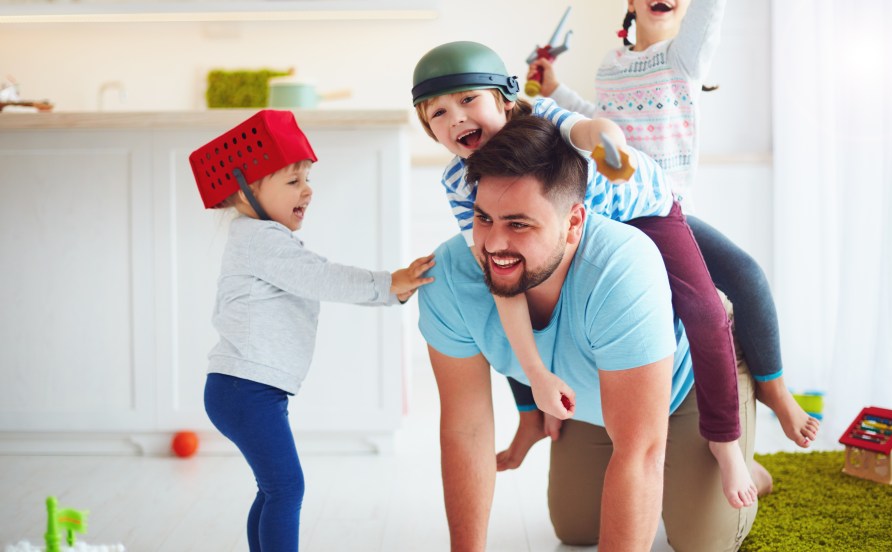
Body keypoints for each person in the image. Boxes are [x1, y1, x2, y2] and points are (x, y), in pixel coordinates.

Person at [413, 40, 757, 508]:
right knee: (515, 303)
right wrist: (537, 373)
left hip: (640, 212)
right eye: (438, 113)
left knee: (703, 309)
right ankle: (533, 416)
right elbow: (502, 274)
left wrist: (609, 144)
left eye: (468, 100)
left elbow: (589, 128)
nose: (456, 118)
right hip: (572, 237)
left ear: (506, 100)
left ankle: (724, 440)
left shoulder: (542, 117)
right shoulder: (459, 182)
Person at [529, 0, 819, 452]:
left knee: (746, 276)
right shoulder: (611, 64)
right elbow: (601, 119)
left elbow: (710, 11)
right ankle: (539, 407)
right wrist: (554, 90)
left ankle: (774, 391)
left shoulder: (683, 56)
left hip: (666, 212)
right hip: (615, 214)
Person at [188, 109, 434, 552]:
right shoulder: (261, 240)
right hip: (245, 390)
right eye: (292, 180)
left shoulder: (261, 238)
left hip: (246, 389)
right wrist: (388, 283)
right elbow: (322, 277)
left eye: (307, 178)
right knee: (286, 489)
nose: (307, 189)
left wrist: (389, 289)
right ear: (244, 192)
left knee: (274, 489)